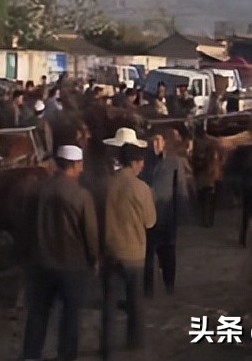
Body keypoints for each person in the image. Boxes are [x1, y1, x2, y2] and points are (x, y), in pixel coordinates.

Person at [20, 145, 99, 361]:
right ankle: (66, 355)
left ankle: (31, 355)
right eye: (80, 165)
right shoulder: (81, 195)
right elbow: (90, 232)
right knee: (70, 314)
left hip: (40, 262)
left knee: (38, 312)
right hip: (71, 265)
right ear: (75, 165)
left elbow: (25, 225)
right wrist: (94, 258)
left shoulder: (36, 190)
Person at [101, 136, 155, 357]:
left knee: (109, 302)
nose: (142, 166)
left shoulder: (106, 185)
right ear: (134, 162)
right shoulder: (141, 188)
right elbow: (150, 221)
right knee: (135, 301)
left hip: (110, 250)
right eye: (141, 162)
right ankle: (135, 342)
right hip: (133, 252)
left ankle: (106, 347)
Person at [140, 132, 190, 297]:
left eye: (159, 140)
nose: (155, 144)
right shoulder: (144, 160)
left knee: (167, 253)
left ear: (164, 142)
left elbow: (180, 188)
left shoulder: (174, 162)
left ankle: (169, 285)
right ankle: (148, 289)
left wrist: (180, 215)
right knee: (147, 255)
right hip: (146, 215)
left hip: (166, 215)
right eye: (153, 140)